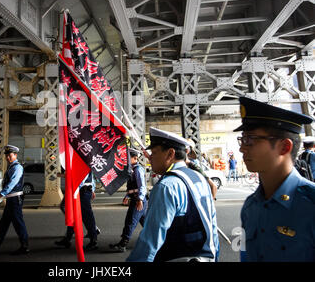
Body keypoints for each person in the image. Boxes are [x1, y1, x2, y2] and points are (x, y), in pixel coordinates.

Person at [235, 97, 315, 262]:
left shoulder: (310, 204)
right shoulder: (250, 207)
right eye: (242, 139)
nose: (242, 148)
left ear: (285, 147)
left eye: (250, 139)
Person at [127, 127, 219, 262]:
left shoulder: (166, 187)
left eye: (153, 152)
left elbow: (150, 240)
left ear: (170, 154)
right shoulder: (198, 177)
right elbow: (212, 227)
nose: (150, 157)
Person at [0, 145, 29, 255]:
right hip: (11, 199)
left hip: (15, 198)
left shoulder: (17, 167)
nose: (8, 157)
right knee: (4, 222)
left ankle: (25, 246)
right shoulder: (12, 167)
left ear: (15, 155)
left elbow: (12, 183)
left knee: (18, 223)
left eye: (10, 155)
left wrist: (2, 194)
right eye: (7, 155)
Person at [109, 148, 148, 252]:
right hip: (136, 199)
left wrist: (140, 199)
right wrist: (127, 196)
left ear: (135, 158)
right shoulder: (132, 169)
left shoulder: (138, 169)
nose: (125, 159)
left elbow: (142, 186)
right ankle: (155, 240)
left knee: (130, 221)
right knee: (146, 223)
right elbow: (131, 186)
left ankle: (123, 244)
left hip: (138, 200)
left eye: (127, 157)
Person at [55, 172, 99, 251]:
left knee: (87, 217)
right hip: (80, 191)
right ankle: (68, 238)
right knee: (73, 215)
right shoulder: (83, 161)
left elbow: (80, 178)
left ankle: (93, 240)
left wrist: (74, 192)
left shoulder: (83, 161)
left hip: (81, 192)